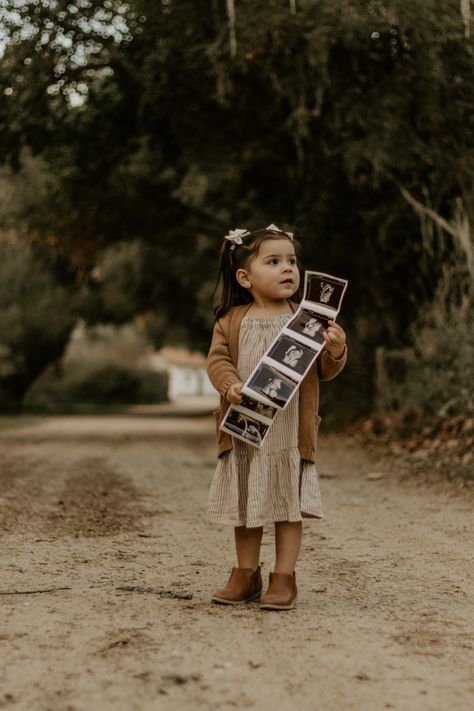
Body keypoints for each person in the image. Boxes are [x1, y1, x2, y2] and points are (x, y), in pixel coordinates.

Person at [207, 225, 347, 610]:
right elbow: (217, 360)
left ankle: (284, 577)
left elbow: (324, 371)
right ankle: (245, 573)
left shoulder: (307, 321)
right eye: (274, 261)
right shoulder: (231, 320)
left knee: (286, 505)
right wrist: (230, 385)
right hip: (246, 429)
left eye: (292, 261)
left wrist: (336, 348)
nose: (288, 269)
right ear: (245, 277)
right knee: (246, 507)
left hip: (287, 435)